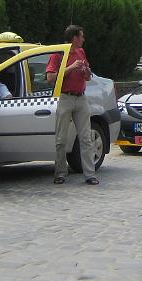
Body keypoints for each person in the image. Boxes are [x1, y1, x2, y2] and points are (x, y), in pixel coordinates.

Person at [46, 25, 98, 185]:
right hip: (65, 97)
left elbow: (88, 77)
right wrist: (70, 68)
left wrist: (86, 72)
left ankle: (90, 174)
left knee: (86, 138)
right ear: (74, 38)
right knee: (61, 138)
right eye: (81, 36)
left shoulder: (81, 52)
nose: (83, 39)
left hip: (81, 98)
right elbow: (50, 78)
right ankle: (60, 172)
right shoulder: (58, 54)